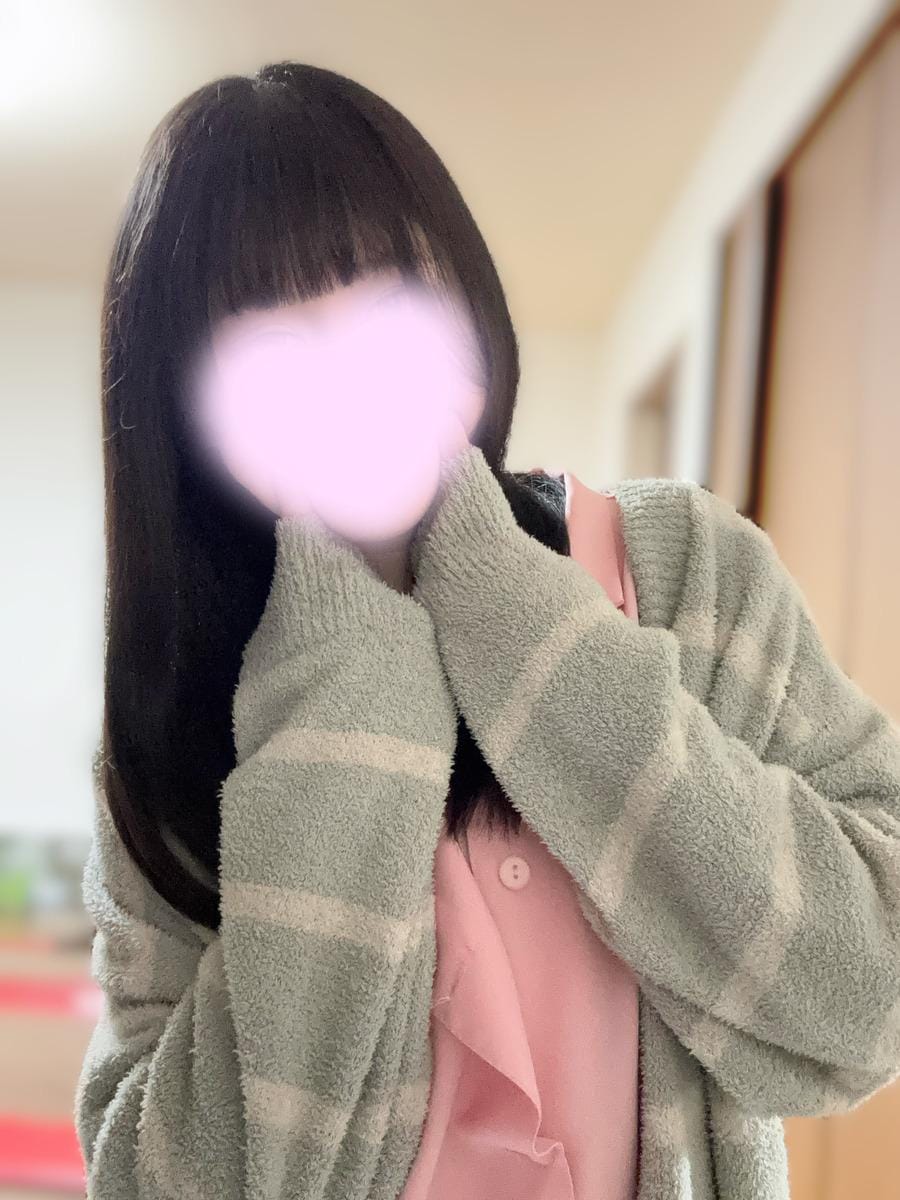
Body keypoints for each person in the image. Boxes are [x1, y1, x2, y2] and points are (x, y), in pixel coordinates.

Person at [74, 61, 900, 1200]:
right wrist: (344, 686)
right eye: (270, 329)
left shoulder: (685, 573)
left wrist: (509, 607)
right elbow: (148, 1180)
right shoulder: (172, 725)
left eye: (387, 290)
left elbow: (869, 996)